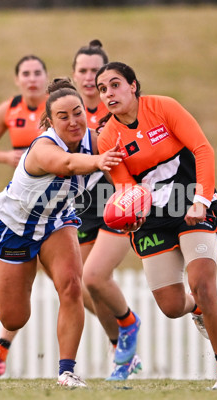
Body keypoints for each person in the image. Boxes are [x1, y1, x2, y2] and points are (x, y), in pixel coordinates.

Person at [96, 62, 217, 390]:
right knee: (172, 306)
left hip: (192, 207)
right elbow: (125, 189)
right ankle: (196, 308)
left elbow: (203, 149)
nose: (109, 93)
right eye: (103, 89)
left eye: (115, 85)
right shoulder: (108, 139)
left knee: (202, 281)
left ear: (133, 85)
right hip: (154, 221)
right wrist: (128, 215)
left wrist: (201, 199)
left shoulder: (163, 107)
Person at [0, 78, 123, 387]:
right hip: (13, 227)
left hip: (57, 221)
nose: (73, 121)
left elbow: (130, 161)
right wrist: (100, 161)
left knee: (72, 286)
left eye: (78, 112)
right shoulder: (43, 149)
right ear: (49, 121)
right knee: (14, 318)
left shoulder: (97, 139)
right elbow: (68, 164)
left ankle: (67, 372)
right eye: (63, 116)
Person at [0, 54, 49, 377]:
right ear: (17, 80)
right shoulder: (9, 109)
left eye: (37, 73)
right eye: (26, 74)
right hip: (23, 207)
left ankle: (121, 339)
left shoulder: (57, 109)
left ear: (47, 77)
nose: (32, 79)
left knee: (79, 284)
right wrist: (6, 157)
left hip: (60, 204)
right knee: (23, 283)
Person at [71, 40, 143, 381]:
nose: (89, 78)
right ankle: (121, 349)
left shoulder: (119, 107)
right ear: (74, 75)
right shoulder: (67, 113)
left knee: (95, 277)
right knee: (87, 286)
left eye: (95, 71)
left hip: (118, 202)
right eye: (82, 71)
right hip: (81, 207)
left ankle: (126, 332)